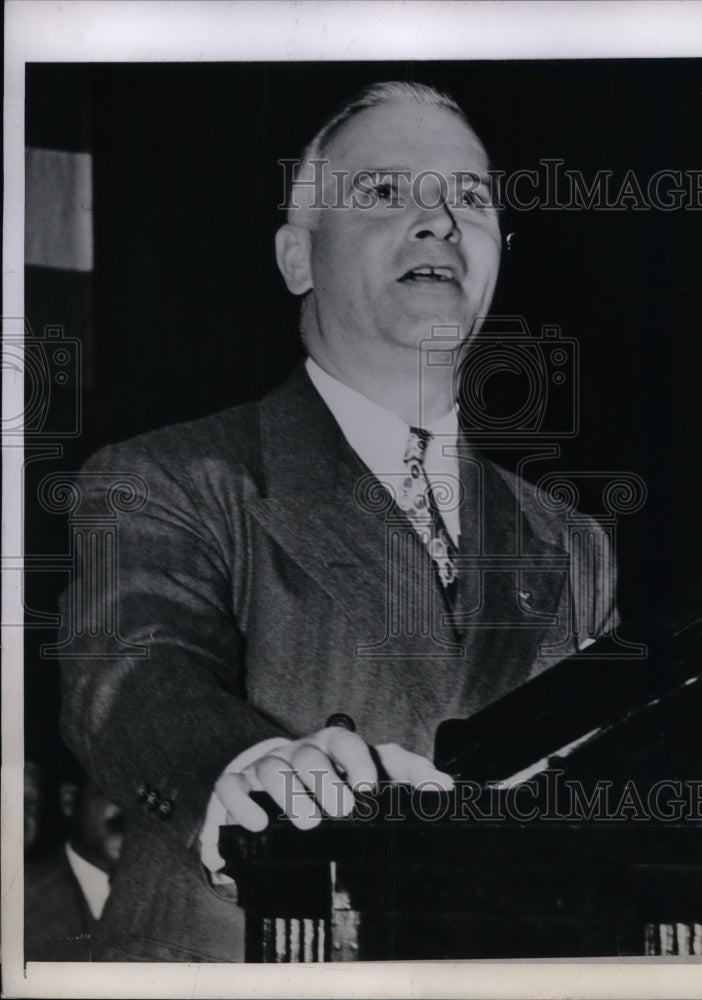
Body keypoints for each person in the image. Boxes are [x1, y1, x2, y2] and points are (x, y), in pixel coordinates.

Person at [59, 81, 617, 962]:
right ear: (296, 257)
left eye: (468, 198)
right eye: (386, 192)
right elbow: (130, 681)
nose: (439, 221)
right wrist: (240, 771)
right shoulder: (166, 478)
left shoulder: (570, 544)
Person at [25, 766, 124, 961]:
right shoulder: (22, 899)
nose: (127, 807)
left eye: (140, 795)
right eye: (112, 789)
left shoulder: (167, 896)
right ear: (69, 800)